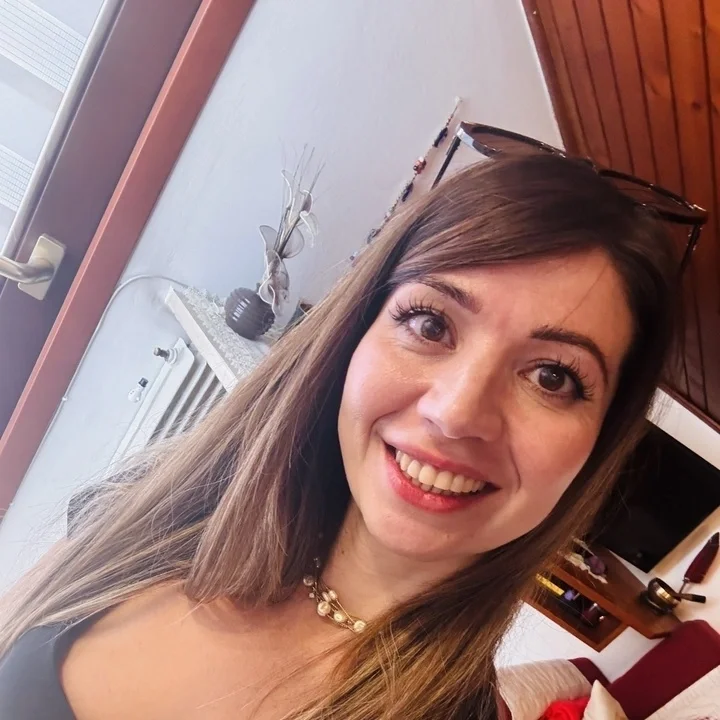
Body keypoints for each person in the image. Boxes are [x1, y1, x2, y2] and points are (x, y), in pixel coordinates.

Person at [0, 151, 680, 719]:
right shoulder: (152, 505)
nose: (455, 413)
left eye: (553, 377)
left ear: (598, 446)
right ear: (357, 330)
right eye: (431, 324)